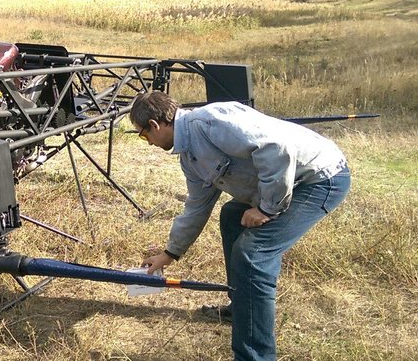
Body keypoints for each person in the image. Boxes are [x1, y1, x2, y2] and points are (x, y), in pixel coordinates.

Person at [131, 91, 350, 361]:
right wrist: (170, 254)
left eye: (144, 135)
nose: (149, 143)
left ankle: (254, 356)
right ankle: (243, 309)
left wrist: (267, 208)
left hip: (320, 178)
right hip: (291, 180)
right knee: (232, 215)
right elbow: (197, 207)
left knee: (253, 255)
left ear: (155, 125)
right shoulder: (190, 157)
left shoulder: (211, 122)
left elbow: (276, 148)